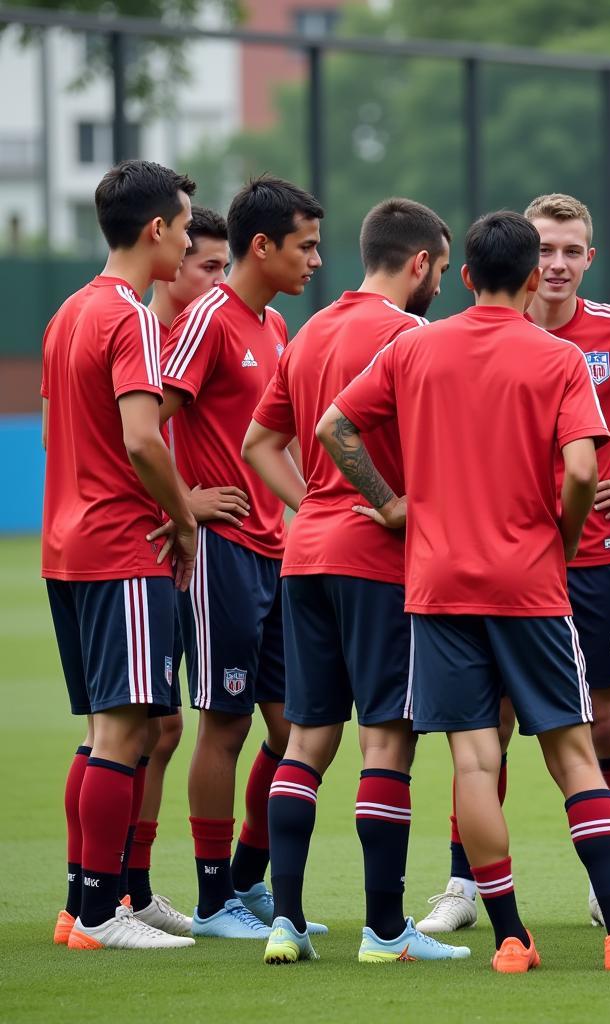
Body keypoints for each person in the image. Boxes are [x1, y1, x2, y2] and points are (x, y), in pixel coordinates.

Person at [319, 210, 610, 973]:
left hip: (437, 585)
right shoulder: (555, 358)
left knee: (475, 762)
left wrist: (392, 503)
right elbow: (585, 470)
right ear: (530, 278)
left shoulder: (412, 346)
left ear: (463, 277)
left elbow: (334, 428)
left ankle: (513, 938)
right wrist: (563, 535)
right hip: (529, 583)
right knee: (574, 756)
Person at [242, 197, 470, 965]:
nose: (439, 281)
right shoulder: (414, 337)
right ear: (418, 264)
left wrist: (317, 508)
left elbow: (259, 443)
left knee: (306, 737)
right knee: (387, 740)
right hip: (378, 564)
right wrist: (382, 504)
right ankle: (384, 932)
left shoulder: (307, 334)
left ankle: (288, 924)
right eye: (439, 268)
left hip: (305, 557)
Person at [417, 193, 610, 934]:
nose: (556, 263)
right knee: (494, 721)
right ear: (524, 261)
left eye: (571, 250)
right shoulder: (477, 346)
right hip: (523, 561)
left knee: (599, 723)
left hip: (589, 559)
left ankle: (604, 886)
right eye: (545, 249)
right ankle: (462, 885)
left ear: (590, 257)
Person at [158, 175, 325, 939]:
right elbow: (140, 420)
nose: (316, 260)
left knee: (295, 732)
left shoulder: (278, 327)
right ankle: (211, 897)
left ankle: (249, 883)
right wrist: (183, 501)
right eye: (307, 245)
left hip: (276, 551)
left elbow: (275, 438)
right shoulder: (208, 320)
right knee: (222, 724)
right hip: (221, 554)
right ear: (265, 247)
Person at [45, 159, 198, 950]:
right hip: (121, 546)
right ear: (156, 231)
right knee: (122, 734)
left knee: (100, 732)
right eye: (182, 224)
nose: (186, 239)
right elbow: (144, 438)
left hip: (67, 546)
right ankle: (107, 914)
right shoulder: (130, 317)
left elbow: (52, 432)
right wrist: (183, 518)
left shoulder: (68, 311)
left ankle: (81, 907)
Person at [112, 206, 236, 938]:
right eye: (207, 266)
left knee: (161, 727)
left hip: (189, 554)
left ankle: (134, 888)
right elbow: (127, 442)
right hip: (153, 548)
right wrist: (185, 503)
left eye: (223, 266)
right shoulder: (136, 334)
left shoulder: (211, 331)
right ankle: (109, 889)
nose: (216, 280)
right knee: (138, 725)